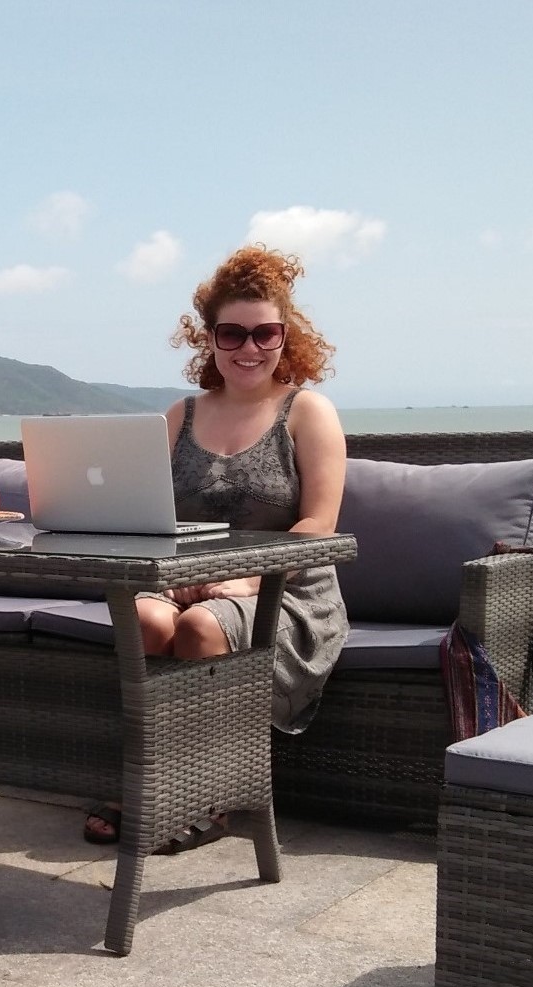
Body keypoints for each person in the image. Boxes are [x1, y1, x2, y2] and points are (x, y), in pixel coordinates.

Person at [85, 245, 349, 851]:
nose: (249, 348)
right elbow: (149, 515)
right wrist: (168, 573)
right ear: (209, 339)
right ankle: (150, 782)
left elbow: (320, 524)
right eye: (232, 333)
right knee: (145, 619)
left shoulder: (307, 412)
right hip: (187, 581)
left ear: (286, 336)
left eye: (265, 333)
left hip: (285, 590)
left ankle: (212, 797)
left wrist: (248, 578)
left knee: (203, 626)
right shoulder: (180, 415)